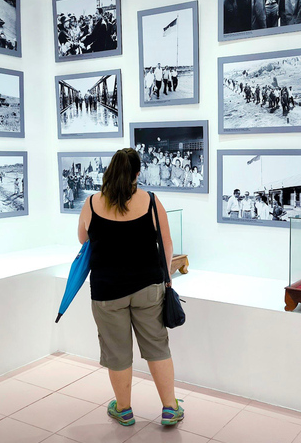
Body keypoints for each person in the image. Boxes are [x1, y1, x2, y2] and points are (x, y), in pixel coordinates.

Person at [77, 148, 184, 427]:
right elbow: (167, 243)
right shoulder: (150, 201)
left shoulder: (91, 202)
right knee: (157, 346)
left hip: (106, 291)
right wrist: (167, 276)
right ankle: (170, 408)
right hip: (148, 286)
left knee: (117, 351)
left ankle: (123, 410)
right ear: (138, 173)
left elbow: (83, 240)